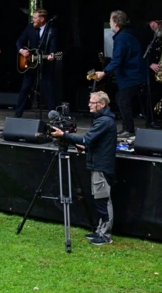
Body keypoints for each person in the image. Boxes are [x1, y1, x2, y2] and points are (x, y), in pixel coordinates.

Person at [50, 91, 116, 245]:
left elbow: (87, 139)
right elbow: (95, 143)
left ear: (102, 104)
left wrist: (64, 135)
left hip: (102, 166)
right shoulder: (103, 119)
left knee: (103, 201)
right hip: (98, 164)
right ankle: (100, 231)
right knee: (100, 200)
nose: (89, 105)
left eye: (92, 102)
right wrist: (84, 147)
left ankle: (105, 236)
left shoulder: (104, 121)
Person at [95, 11, 148, 139]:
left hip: (131, 75)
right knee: (120, 98)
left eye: (111, 20)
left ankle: (129, 129)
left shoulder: (122, 37)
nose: (110, 23)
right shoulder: (127, 35)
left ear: (116, 22)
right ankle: (127, 127)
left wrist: (104, 72)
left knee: (123, 101)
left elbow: (117, 59)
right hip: (133, 74)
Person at [15, 9, 59, 118]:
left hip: (45, 62)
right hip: (31, 61)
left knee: (49, 87)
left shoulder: (51, 30)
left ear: (42, 19)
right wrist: (22, 50)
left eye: (35, 18)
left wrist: (52, 55)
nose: (32, 20)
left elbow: (53, 47)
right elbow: (19, 41)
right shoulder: (30, 27)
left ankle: (53, 116)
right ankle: (17, 115)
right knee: (25, 87)